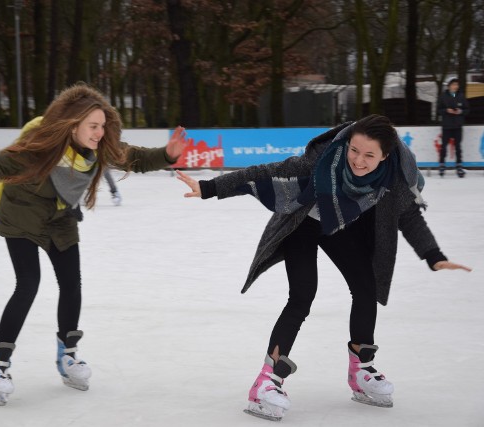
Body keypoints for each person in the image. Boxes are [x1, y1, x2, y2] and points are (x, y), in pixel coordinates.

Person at [176, 115, 471, 421]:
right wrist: (210, 187)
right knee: (303, 294)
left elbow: (408, 215)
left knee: (366, 289)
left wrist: (433, 254)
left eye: (369, 155)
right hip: (304, 221)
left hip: (343, 225)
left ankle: (361, 370)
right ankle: (267, 380)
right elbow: (267, 171)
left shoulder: (395, 176)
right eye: (354, 150)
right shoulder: (322, 159)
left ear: (386, 156)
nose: (357, 160)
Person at [0, 83, 189, 406]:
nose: (100, 133)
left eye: (102, 126)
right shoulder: (38, 148)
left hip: (60, 219)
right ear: (73, 125)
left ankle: (67, 355)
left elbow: (135, 158)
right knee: (29, 283)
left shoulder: (99, 147)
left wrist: (168, 155)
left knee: (72, 284)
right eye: (93, 126)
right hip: (22, 216)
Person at [437, 77, 470, 177]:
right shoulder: (443, 96)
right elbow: (438, 110)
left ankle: (459, 166)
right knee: (444, 147)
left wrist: (460, 111)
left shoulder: (461, 96)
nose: (456, 86)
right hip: (447, 126)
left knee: (458, 147)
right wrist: (446, 110)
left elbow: (467, 109)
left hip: (457, 126)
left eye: (457, 84)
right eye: (454, 84)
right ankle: (442, 164)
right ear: (449, 85)